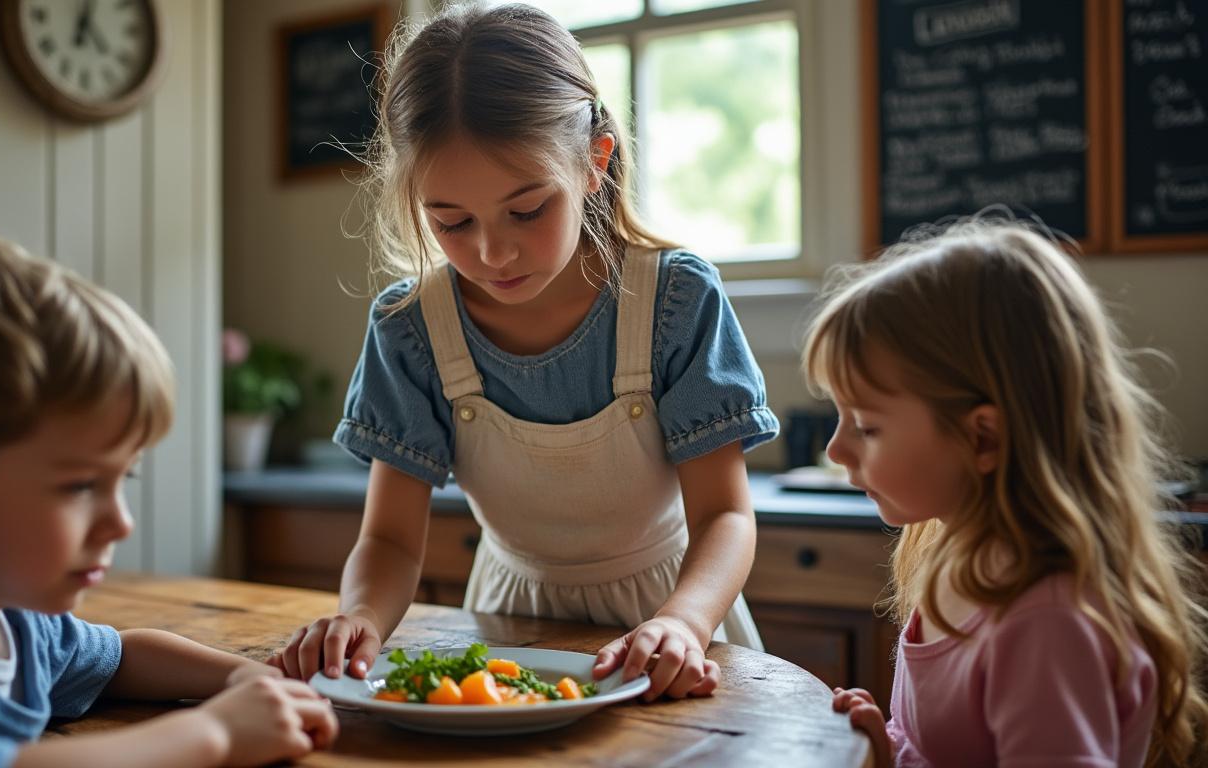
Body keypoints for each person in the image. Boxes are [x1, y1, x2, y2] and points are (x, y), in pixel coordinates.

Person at [275, 2, 778, 702]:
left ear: (593, 163)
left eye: (528, 209)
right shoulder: (410, 329)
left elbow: (725, 516)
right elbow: (389, 540)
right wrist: (360, 615)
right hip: (508, 622)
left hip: (673, 621)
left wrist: (685, 623)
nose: (492, 251)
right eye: (450, 221)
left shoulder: (674, 301)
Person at [0, 231, 338, 767]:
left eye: (124, 480)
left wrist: (247, 676)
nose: (121, 523)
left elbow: (121, 658)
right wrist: (213, 735)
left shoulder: (8, 614)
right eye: (81, 486)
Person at [805, 219, 1208, 766]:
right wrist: (889, 748)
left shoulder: (1045, 621)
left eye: (867, 426)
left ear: (983, 437)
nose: (835, 449)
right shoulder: (954, 555)